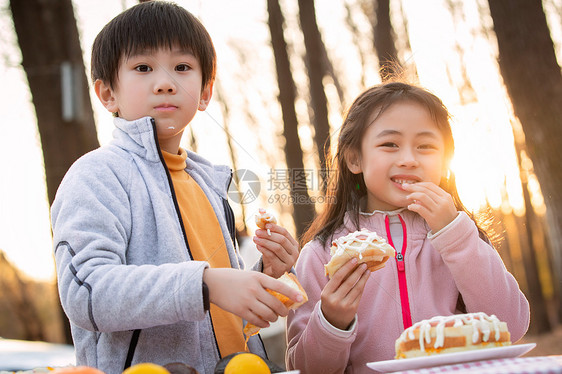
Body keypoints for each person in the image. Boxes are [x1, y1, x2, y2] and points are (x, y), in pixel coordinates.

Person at [51, 2, 301, 373]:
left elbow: (214, 299)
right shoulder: (97, 175)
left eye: (182, 67)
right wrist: (206, 283)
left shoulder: (208, 182)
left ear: (204, 93)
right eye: (142, 68)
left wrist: (264, 273)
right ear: (107, 94)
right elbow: (86, 290)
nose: (165, 81)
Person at [285, 82, 530, 373]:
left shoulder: (460, 235)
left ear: (445, 160)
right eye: (390, 144)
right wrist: (331, 322)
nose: (409, 160)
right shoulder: (322, 254)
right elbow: (304, 368)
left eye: (425, 146)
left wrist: (454, 235)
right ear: (354, 158)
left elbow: (511, 327)